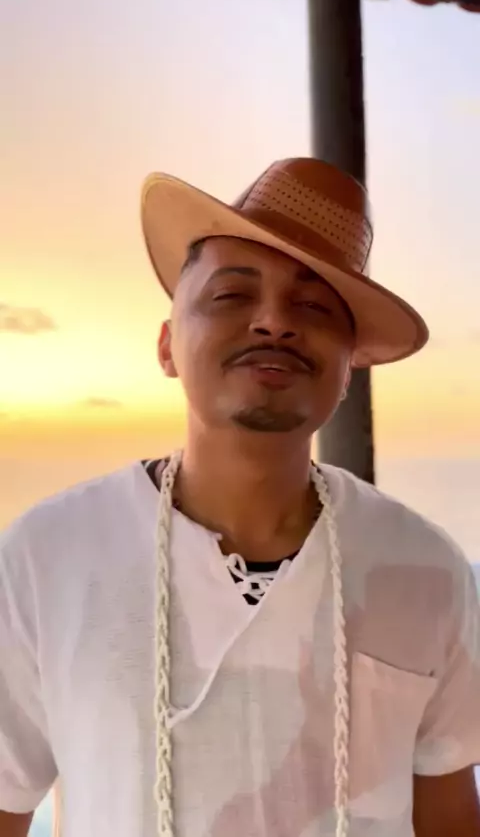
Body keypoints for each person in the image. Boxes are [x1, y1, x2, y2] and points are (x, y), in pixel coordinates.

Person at [0, 158, 479, 837]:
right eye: (231, 295)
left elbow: (448, 814)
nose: (274, 321)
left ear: (348, 369)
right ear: (168, 345)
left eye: (314, 307)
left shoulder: (425, 569)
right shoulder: (46, 559)